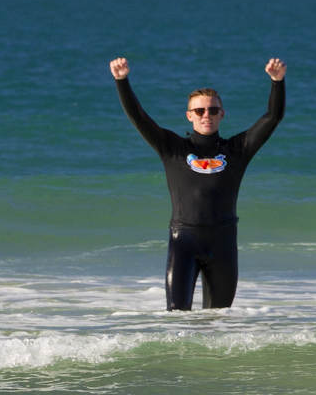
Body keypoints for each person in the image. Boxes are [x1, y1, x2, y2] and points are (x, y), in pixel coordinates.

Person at [109, 56, 286, 310]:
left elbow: (272, 117)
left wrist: (277, 82)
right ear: (189, 116)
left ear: (222, 114)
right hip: (184, 243)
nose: (207, 115)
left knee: (216, 323)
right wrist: (121, 80)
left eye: (213, 110)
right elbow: (139, 117)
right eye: (200, 111)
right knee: (177, 319)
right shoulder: (173, 148)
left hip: (223, 244)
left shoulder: (236, 150)